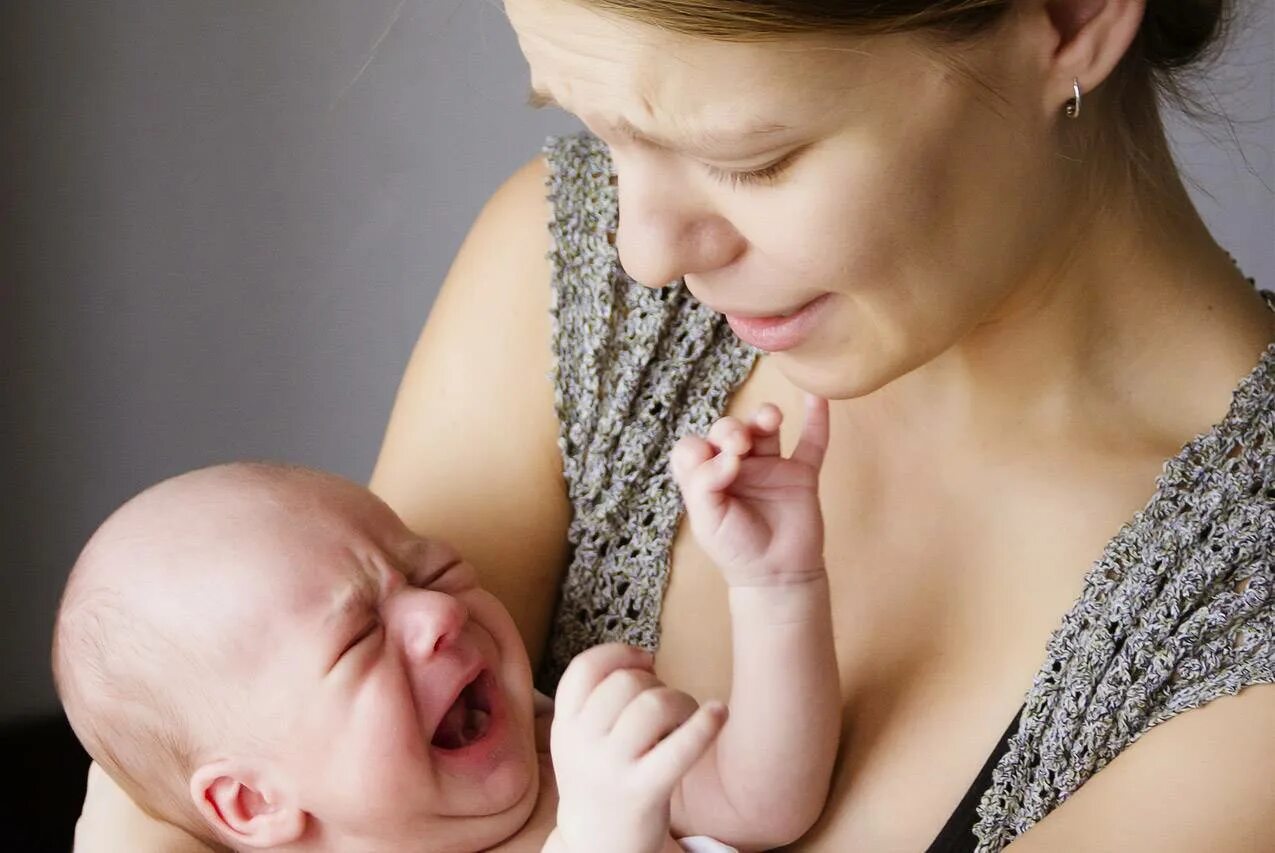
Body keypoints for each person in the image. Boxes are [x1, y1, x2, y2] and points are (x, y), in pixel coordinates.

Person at [73, 0, 1274, 850]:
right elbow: (192, 741)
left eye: (748, 158)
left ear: (1065, 14)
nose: (645, 251)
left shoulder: (1238, 615)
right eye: (596, 128)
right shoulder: (575, 272)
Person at [55, 397, 837, 852]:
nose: (438, 612)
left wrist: (776, 584)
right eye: (358, 636)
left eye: (431, 570)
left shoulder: (557, 755)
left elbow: (762, 797)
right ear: (253, 802)